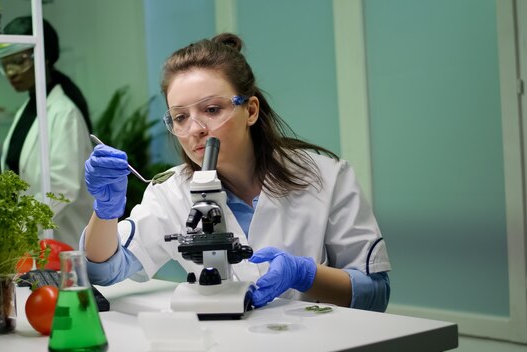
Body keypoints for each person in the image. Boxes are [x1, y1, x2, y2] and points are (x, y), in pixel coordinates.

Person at [82, 33, 391, 311]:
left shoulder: (325, 176)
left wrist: (305, 274)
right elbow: (105, 271)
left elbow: (375, 293)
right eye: (180, 117)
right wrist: (106, 211)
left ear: (251, 110)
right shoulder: (170, 192)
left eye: (212, 110)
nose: (196, 130)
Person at [0, 16, 94, 248]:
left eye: (19, 61)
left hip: (61, 245)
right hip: (31, 245)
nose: (11, 71)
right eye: (5, 63)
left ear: (44, 58)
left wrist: (17, 228)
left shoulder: (64, 113)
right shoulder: (27, 109)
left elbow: (62, 190)